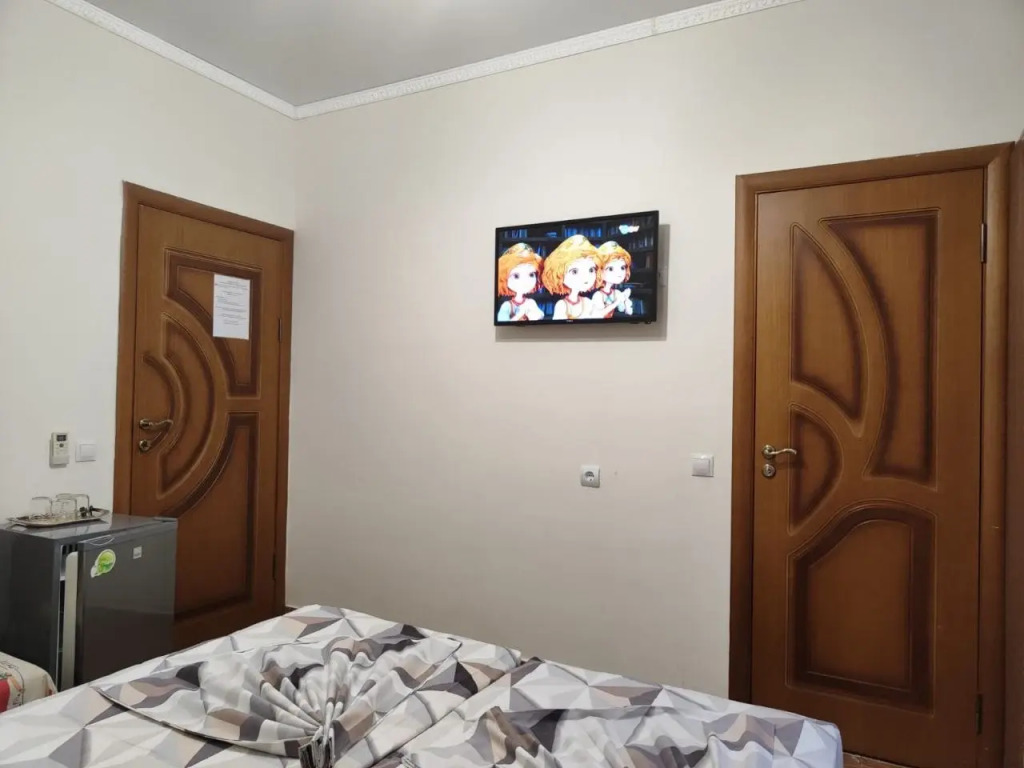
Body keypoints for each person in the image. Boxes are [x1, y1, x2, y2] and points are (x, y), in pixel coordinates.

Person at [541, 235, 599, 321]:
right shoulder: (562, 305)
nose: (585, 277)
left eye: (591, 270)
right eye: (574, 271)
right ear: (559, 274)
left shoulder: (587, 302)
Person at [496, 243, 545, 322]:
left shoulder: (530, 302)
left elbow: (539, 315)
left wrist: (534, 315)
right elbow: (502, 320)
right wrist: (519, 314)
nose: (525, 281)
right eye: (516, 276)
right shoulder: (507, 305)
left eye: (531, 274)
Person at [593, 241, 634, 318]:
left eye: (622, 268)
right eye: (610, 269)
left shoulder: (617, 293)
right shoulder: (598, 295)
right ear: (599, 271)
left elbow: (627, 312)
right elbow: (599, 315)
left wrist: (626, 300)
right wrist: (617, 302)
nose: (619, 273)